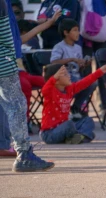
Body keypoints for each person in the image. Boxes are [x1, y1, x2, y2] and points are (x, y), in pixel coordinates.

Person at [0, 0, 54, 172]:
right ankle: (24, 154)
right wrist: (11, 55)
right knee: (16, 105)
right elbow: (7, 34)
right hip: (3, 59)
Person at [40, 64, 106, 144]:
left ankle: (74, 138)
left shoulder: (69, 89)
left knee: (88, 121)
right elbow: (45, 88)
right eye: (65, 74)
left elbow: (85, 82)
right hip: (49, 134)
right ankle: (81, 136)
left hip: (64, 127)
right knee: (69, 124)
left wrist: (100, 71)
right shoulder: (50, 92)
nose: (69, 76)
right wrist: (53, 78)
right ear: (56, 80)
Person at [50, 18, 95, 118]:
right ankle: (63, 109)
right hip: (64, 79)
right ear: (66, 32)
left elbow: (78, 68)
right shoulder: (59, 47)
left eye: (78, 30)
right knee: (75, 81)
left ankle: (76, 107)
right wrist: (71, 59)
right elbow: (53, 62)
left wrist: (84, 64)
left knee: (92, 83)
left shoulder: (78, 48)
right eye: (75, 30)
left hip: (76, 77)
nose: (78, 33)